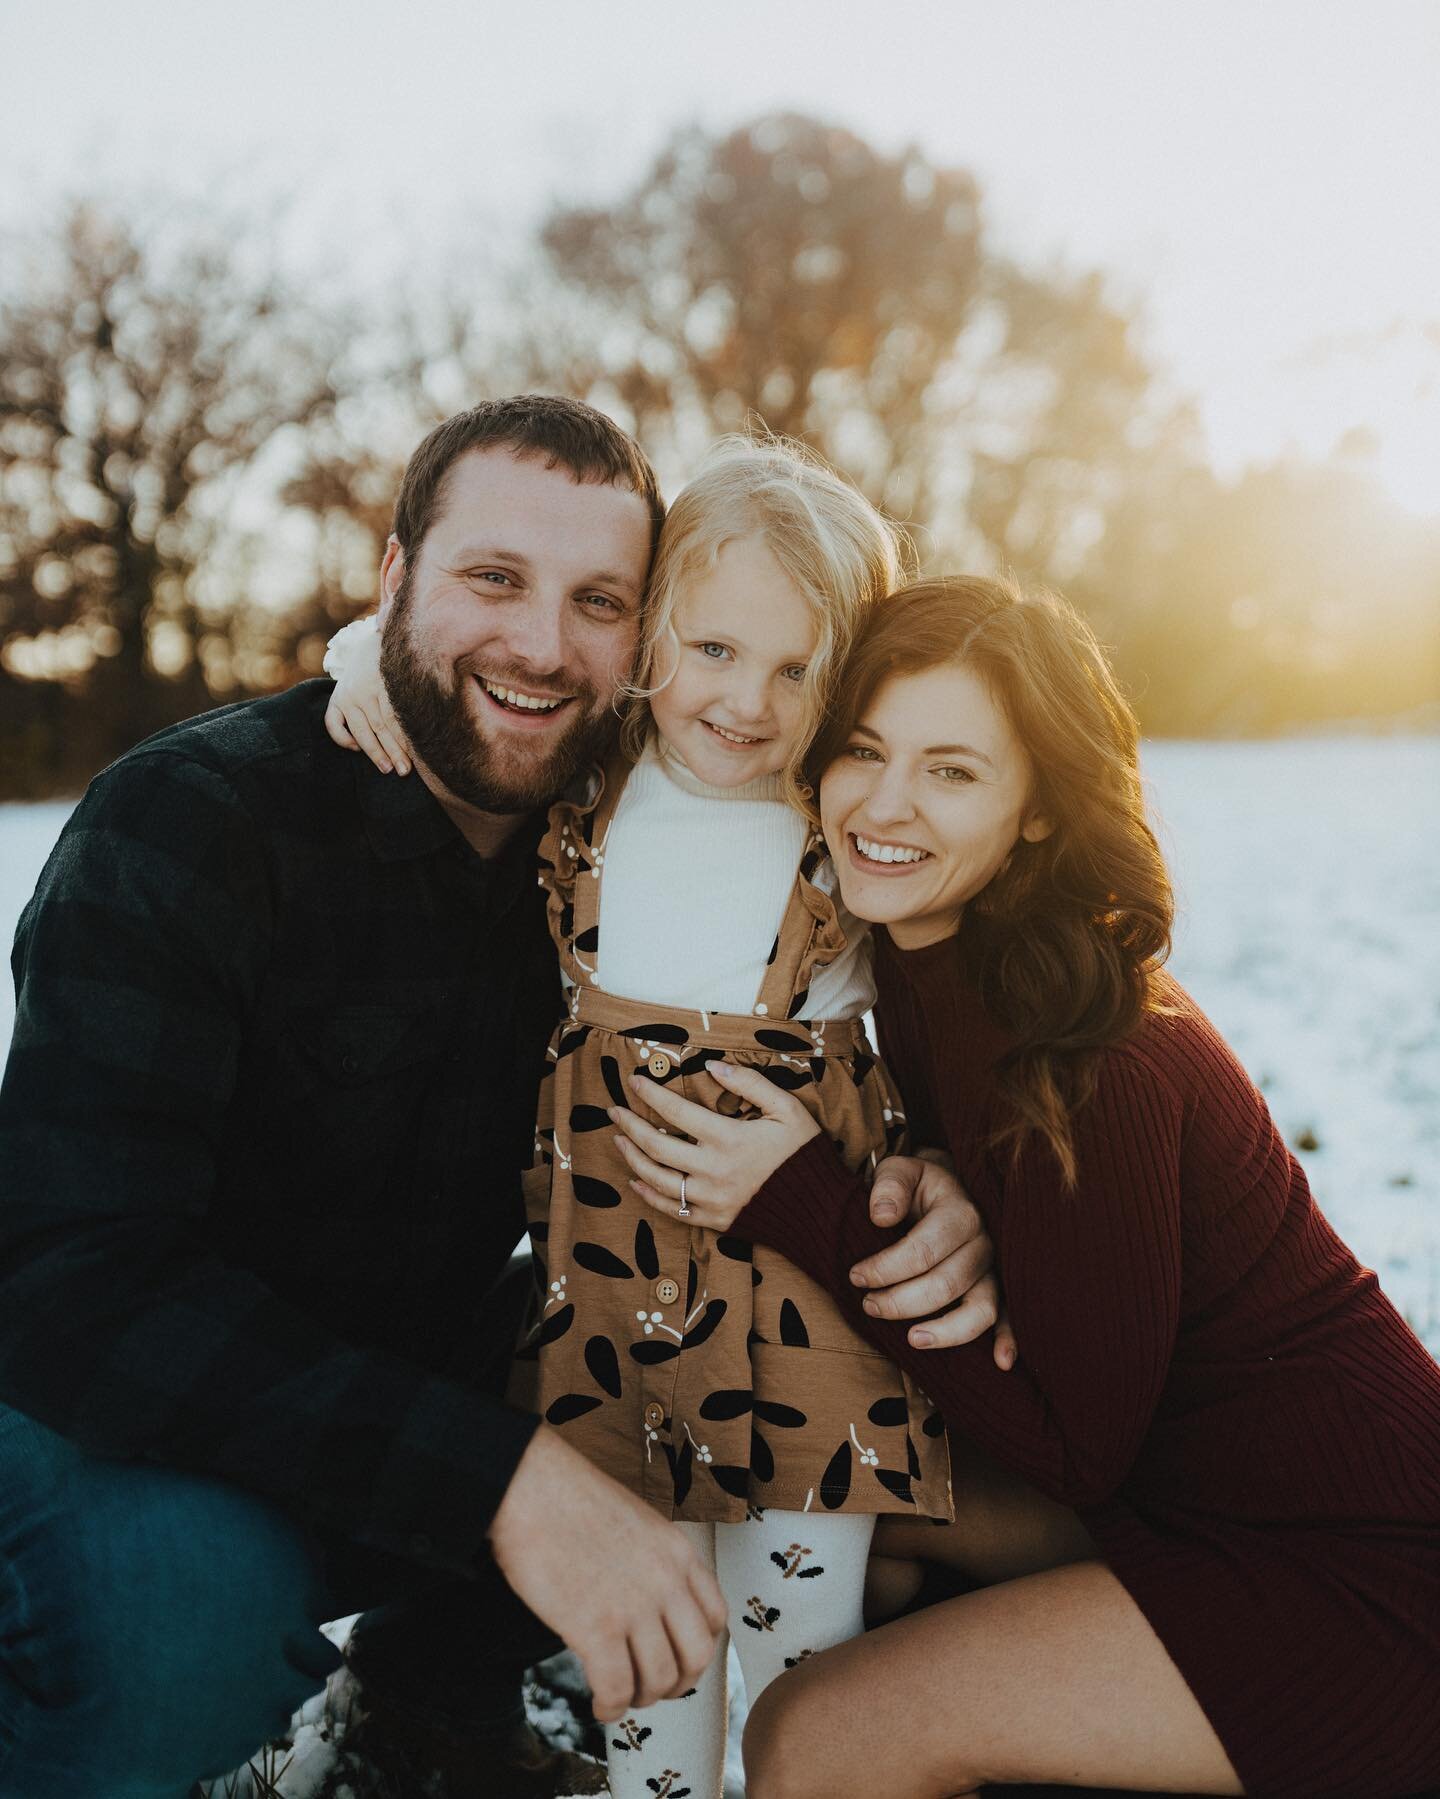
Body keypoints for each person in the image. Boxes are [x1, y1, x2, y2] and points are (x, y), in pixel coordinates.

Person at [0, 400, 1000, 1799]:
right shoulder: (192, 825)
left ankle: (422, 1700)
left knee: (679, 1386)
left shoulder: (603, 809)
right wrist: (502, 1480)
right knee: (188, 1609)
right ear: (393, 569)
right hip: (128, 1395)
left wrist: (933, 1177)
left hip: (444, 1352)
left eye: (598, 599)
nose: (541, 644)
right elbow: (71, 1282)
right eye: (492, 579)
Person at [611, 576, 1440, 1799]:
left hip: (1354, 1578)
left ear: (1040, 808)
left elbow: (1074, 1447)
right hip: (1185, 1497)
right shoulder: (915, 963)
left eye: (952, 771)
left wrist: (804, 1200)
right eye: (865, 750)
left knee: (811, 1737)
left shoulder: (1093, 1050)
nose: (885, 805)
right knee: (828, 1516)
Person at [323, 437, 978, 1799]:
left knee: (804, 1671)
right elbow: (428, 644)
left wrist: (941, 1166)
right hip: (612, 1318)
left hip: (806, 1324)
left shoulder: (846, 818)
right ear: (653, 632)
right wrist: (352, 661)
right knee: (647, 1655)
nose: (747, 702)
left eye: (801, 669)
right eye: (716, 648)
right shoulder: (601, 770)